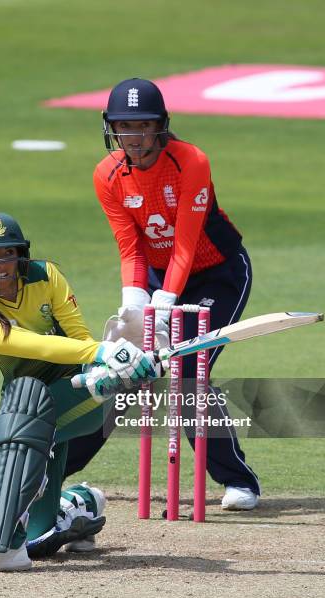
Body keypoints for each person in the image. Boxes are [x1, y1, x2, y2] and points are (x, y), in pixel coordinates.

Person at [64, 78, 261, 520]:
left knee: (188, 373)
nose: (132, 137)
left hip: (218, 275)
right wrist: (135, 310)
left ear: (161, 126)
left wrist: (165, 307)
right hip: (156, 277)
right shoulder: (108, 174)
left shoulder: (190, 161)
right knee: (119, 370)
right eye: (123, 127)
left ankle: (238, 480)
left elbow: (186, 246)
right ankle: (58, 466)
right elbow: (131, 249)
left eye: (142, 126)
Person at [0, 211, 160, 572]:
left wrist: (107, 369)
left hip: (75, 394)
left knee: (23, 409)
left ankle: (2, 545)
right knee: (41, 539)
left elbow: (79, 338)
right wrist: (103, 351)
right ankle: (82, 505)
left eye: (6, 254)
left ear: (21, 256)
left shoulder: (46, 276)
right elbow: (38, 348)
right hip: (32, 401)